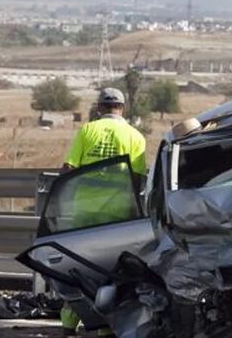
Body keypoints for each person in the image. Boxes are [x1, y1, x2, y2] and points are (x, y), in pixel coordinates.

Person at [60, 87, 147, 338]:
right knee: (110, 273)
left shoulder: (88, 130)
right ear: (123, 108)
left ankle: (69, 323)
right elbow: (138, 180)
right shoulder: (135, 136)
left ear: (99, 108)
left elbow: (68, 168)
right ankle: (106, 328)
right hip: (117, 216)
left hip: (83, 213)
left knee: (76, 268)